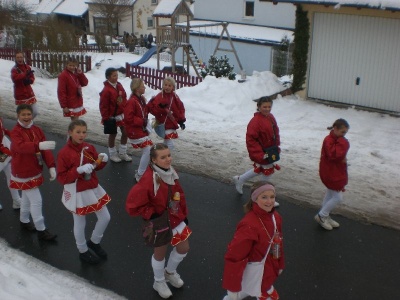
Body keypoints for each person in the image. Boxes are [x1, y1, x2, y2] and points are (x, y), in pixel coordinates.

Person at [126, 143, 192, 299]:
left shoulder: (170, 172)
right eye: (163, 157)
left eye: (169, 155)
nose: (168, 159)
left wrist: (183, 214)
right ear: (154, 160)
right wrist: (152, 214)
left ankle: (169, 272)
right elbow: (132, 206)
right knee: (160, 253)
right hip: (158, 221)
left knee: (183, 247)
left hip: (175, 217)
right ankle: (159, 281)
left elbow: (179, 194)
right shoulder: (148, 179)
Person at [56, 120, 111, 264]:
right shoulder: (64, 153)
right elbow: (62, 178)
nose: (81, 135)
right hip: (77, 191)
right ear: (70, 133)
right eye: (78, 132)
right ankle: (82, 250)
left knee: (105, 217)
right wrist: (77, 171)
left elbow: (95, 166)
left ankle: (94, 241)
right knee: (80, 223)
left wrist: (102, 161)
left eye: (84, 132)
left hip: (92, 188)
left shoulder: (89, 147)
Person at [222, 181, 284, 300]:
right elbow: (235, 255)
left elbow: (278, 242)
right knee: (240, 294)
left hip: (268, 268)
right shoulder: (249, 224)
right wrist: (232, 286)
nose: (269, 201)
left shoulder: (276, 217)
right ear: (255, 199)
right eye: (264, 197)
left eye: (272, 197)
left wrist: (279, 263)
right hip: (254, 270)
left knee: (250, 290)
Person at [10, 104, 57, 241]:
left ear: (32, 115)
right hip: (23, 172)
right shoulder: (16, 132)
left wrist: (51, 166)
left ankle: (24, 221)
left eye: (28, 114)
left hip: (34, 169)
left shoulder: (37, 130)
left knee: (26, 197)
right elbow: (20, 147)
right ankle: (41, 230)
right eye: (23, 114)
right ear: (18, 115)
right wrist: (38, 145)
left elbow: (45, 150)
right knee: (36, 200)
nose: (26, 117)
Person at [233, 96, 280, 207]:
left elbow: (275, 133)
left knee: (260, 170)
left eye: (269, 106)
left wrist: (276, 146)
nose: (267, 109)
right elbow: (251, 140)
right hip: (263, 153)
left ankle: (240, 179)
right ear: (258, 107)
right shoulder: (255, 122)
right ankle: (265, 198)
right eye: (264, 107)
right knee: (267, 174)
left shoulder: (271, 117)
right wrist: (259, 154)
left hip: (270, 151)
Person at [315, 118, 350, 230]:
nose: (344, 135)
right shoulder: (329, 140)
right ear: (335, 129)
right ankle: (322, 215)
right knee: (338, 197)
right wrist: (343, 144)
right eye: (342, 132)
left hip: (334, 171)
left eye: (345, 132)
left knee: (330, 194)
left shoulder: (335, 139)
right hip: (331, 173)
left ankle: (324, 214)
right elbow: (334, 155)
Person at [99, 67, 132, 163]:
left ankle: (122, 153)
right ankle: (113, 154)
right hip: (111, 116)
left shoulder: (119, 85)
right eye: (114, 75)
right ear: (108, 77)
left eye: (117, 75)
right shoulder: (106, 90)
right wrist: (105, 118)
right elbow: (103, 106)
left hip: (121, 114)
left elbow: (124, 97)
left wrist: (125, 107)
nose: (116, 77)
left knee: (125, 133)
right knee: (113, 134)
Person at [124, 77, 153, 182]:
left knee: (149, 149)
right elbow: (128, 118)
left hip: (140, 129)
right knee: (148, 149)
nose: (144, 87)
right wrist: (142, 121)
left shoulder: (140, 99)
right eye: (142, 86)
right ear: (137, 89)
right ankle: (140, 174)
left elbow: (143, 112)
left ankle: (143, 171)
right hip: (134, 131)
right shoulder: (132, 101)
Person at [147, 77, 186, 151]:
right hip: (163, 123)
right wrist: (161, 109)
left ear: (173, 87)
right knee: (170, 144)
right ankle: (166, 158)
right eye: (165, 85)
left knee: (166, 142)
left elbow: (179, 108)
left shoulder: (175, 97)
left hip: (171, 123)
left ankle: (163, 157)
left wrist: (181, 121)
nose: (167, 87)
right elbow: (152, 109)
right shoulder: (159, 96)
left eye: (169, 85)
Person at [0, 117, 22, 210]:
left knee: (11, 174)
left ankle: (16, 200)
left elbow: (2, 129)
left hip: (3, 147)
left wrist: (10, 133)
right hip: (2, 149)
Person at [11, 51, 39, 118]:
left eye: (21, 57)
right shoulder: (14, 69)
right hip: (20, 93)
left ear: (23, 58)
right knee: (23, 113)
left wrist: (30, 80)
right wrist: (24, 75)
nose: (19, 59)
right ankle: (23, 125)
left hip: (29, 92)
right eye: (18, 57)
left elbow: (32, 76)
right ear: (15, 58)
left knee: (35, 112)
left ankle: (27, 123)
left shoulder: (27, 67)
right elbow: (15, 79)